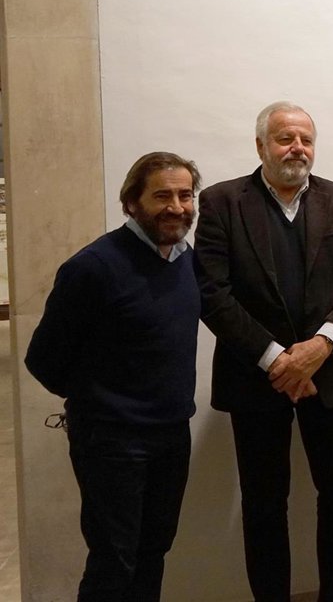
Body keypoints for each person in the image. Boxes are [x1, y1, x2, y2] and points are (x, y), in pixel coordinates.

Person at [194, 101, 333, 601]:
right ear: (261, 146)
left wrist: (321, 346)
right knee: (263, 503)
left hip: (330, 375)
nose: (297, 148)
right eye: (285, 139)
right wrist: (278, 359)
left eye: (306, 140)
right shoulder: (221, 202)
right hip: (255, 378)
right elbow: (212, 293)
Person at [26, 152, 202, 601]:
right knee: (113, 561)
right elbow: (43, 359)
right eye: (162, 196)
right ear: (131, 203)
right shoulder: (93, 267)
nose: (176, 207)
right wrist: (104, 401)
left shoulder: (185, 260)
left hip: (171, 435)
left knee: (153, 551)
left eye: (185, 195)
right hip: (112, 441)